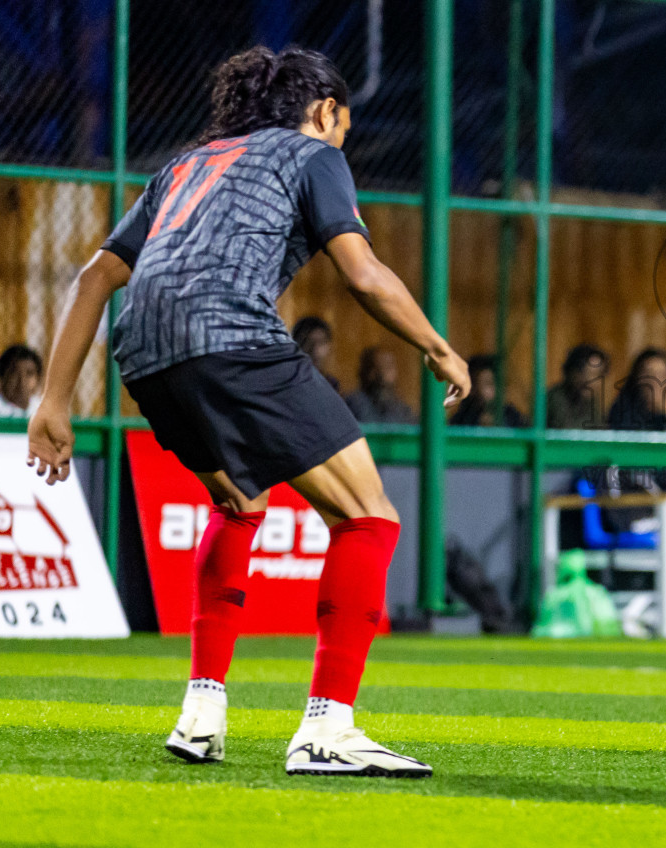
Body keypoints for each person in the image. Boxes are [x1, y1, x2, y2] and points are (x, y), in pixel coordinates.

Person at [25, 45, 469, 778]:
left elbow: (98, 273)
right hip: (230, 335)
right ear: (326, 111)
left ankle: (202, 712)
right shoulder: (312, 153)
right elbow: (362, 273)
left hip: (144, 350)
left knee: (239, 502)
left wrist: (54, 399)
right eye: (344, 127)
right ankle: (328, 728)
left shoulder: (187, 164)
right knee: (368, 518)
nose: (342, 143)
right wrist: (435, 347)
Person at [607, 347, 666, 431]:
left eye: (661, 375)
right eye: (650, 375)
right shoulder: (622, 409)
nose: (656, 381)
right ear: (638, 377)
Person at [344, 346, 417, 424]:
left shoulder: (401, 409)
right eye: (385, 367)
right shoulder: (353, 404)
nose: (391, 373)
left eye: (390, 367)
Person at [449, 354, 527, 428]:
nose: (496, 390)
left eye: (499, 384)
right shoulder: (461, 421)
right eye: (489, 384)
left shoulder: (514, 419)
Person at [546, 343, 608, 429]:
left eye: (598, 375)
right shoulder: (553, 399)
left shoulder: (591, 402)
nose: (593, 382)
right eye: (587, 374)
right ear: (572, 372)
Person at [0, 345, 44, 417]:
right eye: (14, 373)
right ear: (2, 378)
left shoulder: (40, 408)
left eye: (29, 373)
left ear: (38, 380)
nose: (22, 381)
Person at [291, 316, 339, 393]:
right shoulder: (289, 385)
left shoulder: (332, 386)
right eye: (308, 343)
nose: (315, 351)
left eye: (321, 343)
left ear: (329, 346)